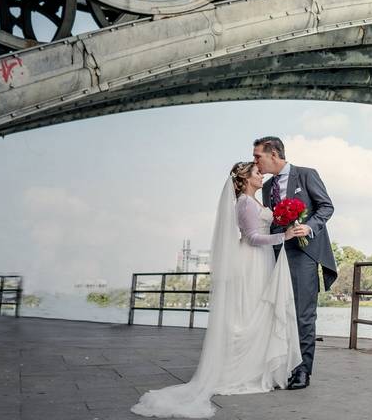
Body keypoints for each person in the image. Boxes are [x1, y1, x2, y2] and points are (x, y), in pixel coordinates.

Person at [131, 162, 306, 418]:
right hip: (252, 261)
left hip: (263, 260)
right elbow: (251, 238)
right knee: (248, 315)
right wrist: (285, 236)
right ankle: (240, 373)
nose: (262, 175)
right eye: (257, 173)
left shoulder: (254, 201)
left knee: (258, 313)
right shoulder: (245, 204)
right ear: (245, 179)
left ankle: (256, 369)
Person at [254, 136, 337, 391]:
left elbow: (326, 207)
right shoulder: (267, 188)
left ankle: (302, 370)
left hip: (303, 254)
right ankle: (281, 366)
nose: (255, 161)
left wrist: (308, 227)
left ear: (274, 154)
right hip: (275, 253)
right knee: (278, 311)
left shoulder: (307, 175)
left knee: (302, 314)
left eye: (259, 156)